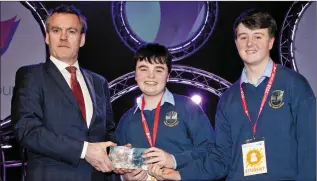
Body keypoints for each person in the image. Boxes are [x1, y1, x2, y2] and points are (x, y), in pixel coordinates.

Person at [148, 9, 316, 181]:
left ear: (271, 42)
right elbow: (221, 158)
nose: (250, 43)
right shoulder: (229, 98)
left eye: (258, 36)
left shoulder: (294, 85)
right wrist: (180, 175)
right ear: (236, 42)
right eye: (243, 37)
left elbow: (311, 149)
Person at [11, 5, 117, 181]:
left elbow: (108, 132)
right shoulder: (31, 76)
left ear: (82, 39)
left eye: (71, 31)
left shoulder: (99, 82)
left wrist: (121, 157)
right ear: (47, 37)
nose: (63, 37)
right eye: (56, 30)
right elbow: (27, 130)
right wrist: (84, 150)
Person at [114, 43, 216, 180]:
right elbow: (113, 170)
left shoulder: (187, 107)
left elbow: (211, 151)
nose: (151, 76)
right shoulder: (126, 120)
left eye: (159, 70)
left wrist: (173, 160)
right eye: (144, 69)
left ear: (168, 76)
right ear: (135, 75)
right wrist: (125, 177)